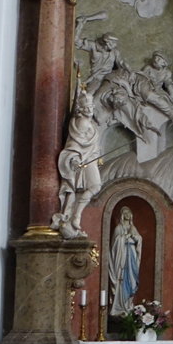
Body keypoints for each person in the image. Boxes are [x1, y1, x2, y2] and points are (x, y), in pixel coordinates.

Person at [53, 83, 104, 238]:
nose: (90, 110)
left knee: (95, 186)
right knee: (92, 186)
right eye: (86, 107)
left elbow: (91, 144)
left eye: (91, 107)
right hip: (82, 160)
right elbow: (74, 144)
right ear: (81, 109)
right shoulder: (81, 123)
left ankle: (76, 215)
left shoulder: (90, 123)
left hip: (90, 159)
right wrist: (75, 159)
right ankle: (74, 216)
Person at [108, 206, 143, 316]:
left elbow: (139, 239)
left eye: (129, 212)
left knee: (132, 280)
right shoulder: (119, 228)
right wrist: (124, 237)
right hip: (122, 258)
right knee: (121, 279)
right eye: (125, 212)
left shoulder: (133, 227)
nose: (127, 214)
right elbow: (114, 244)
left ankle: (128, 304)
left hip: (132, 255)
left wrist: (136, 237)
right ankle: (119, 306)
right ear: (122, 215)